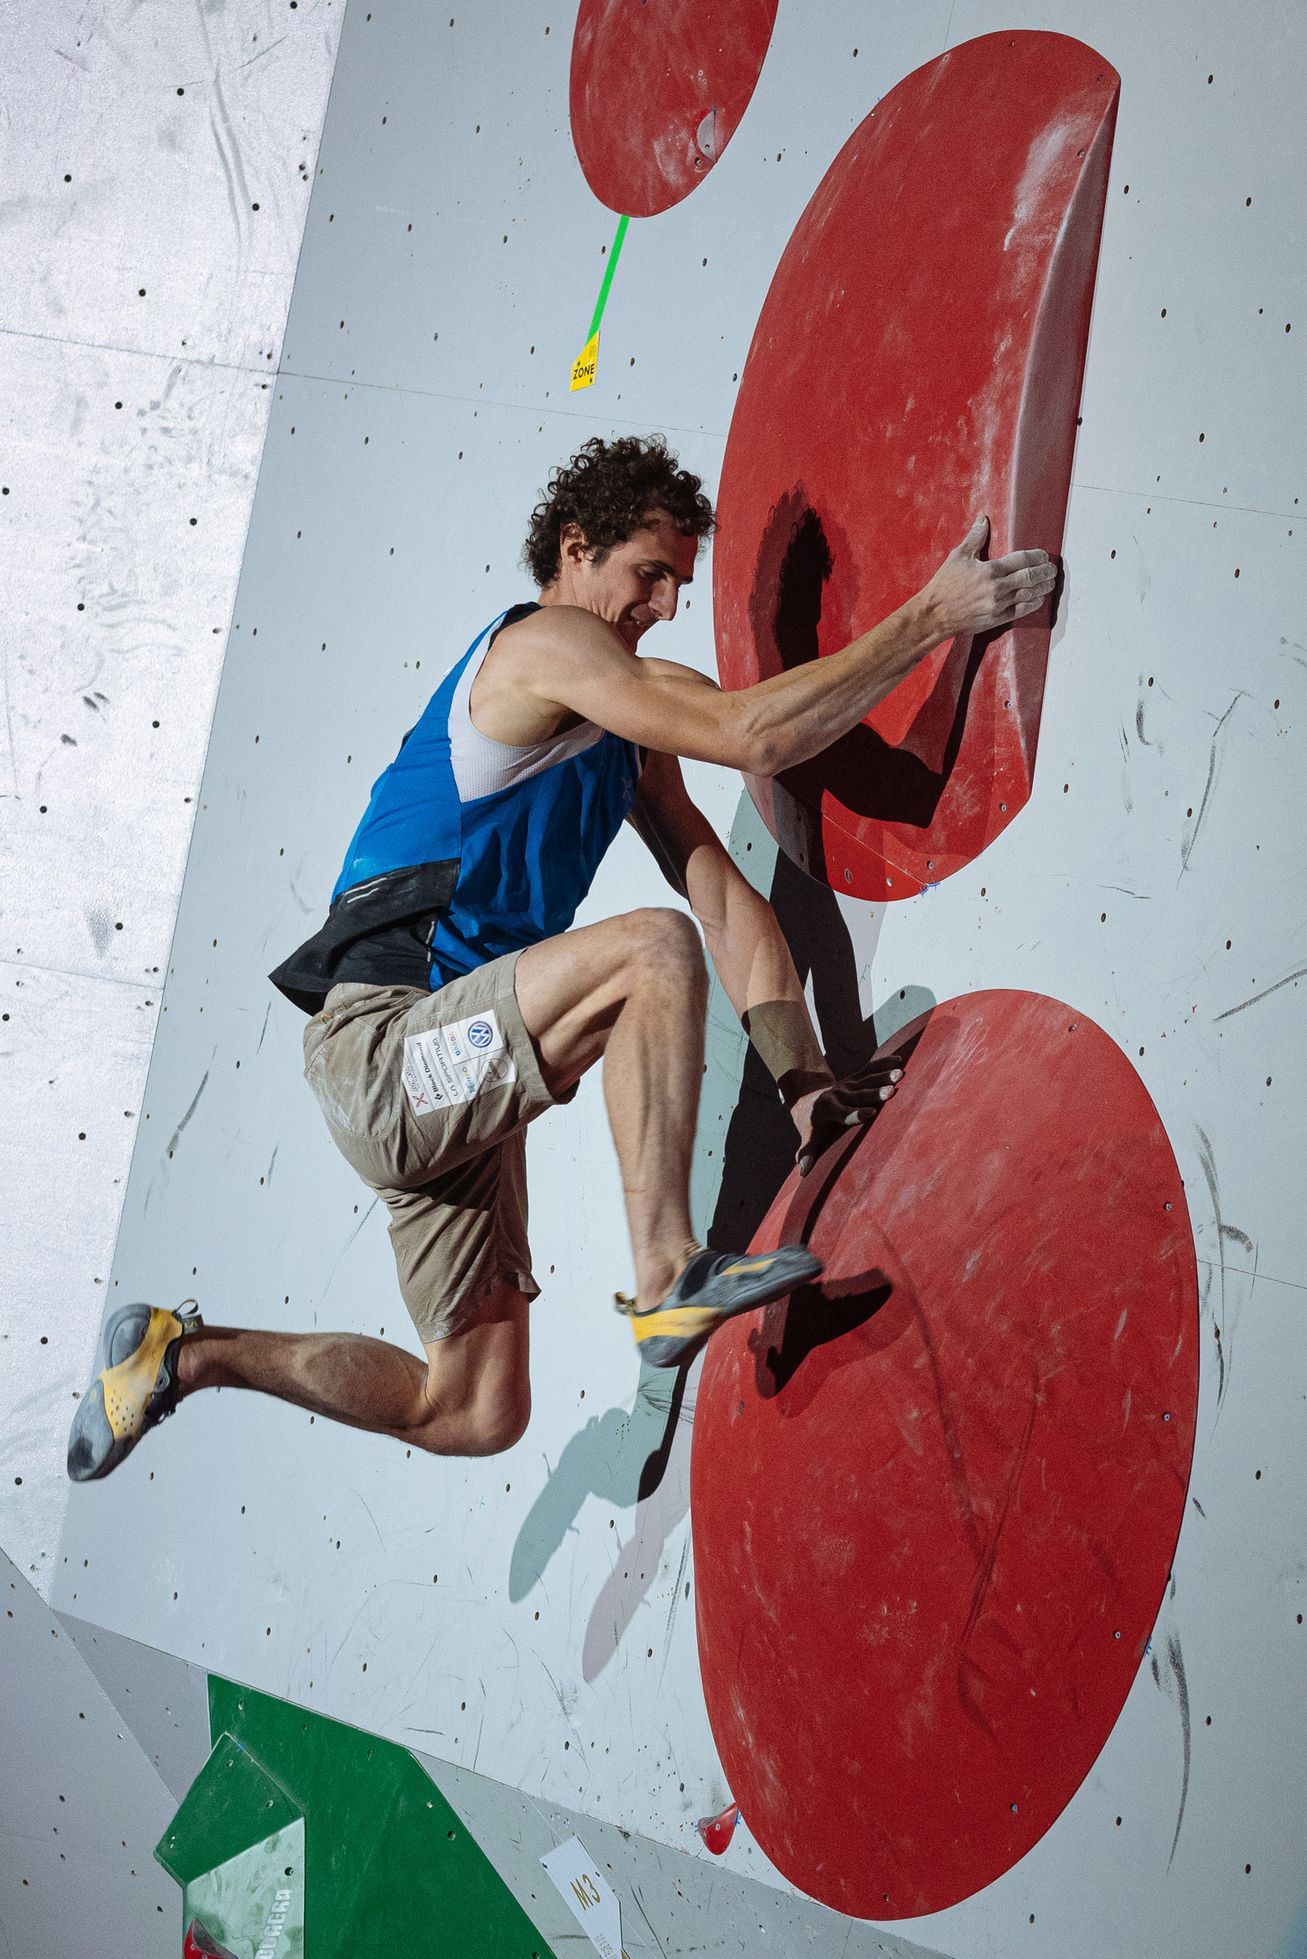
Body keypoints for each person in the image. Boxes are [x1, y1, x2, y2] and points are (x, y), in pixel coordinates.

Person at [68, 436, 1056, 1481]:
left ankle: (187, 1357)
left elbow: (722, 896)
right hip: (384, 1047)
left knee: (471, 1410)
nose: (666, 603)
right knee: (646, 953)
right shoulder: (544, 647)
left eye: (681, 580)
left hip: (454, 1072)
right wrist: (931, 619)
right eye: (647, 572)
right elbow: (757, 736)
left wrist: (802, 1079)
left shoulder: (625, 721)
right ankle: (667, 1270)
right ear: (574, 550)